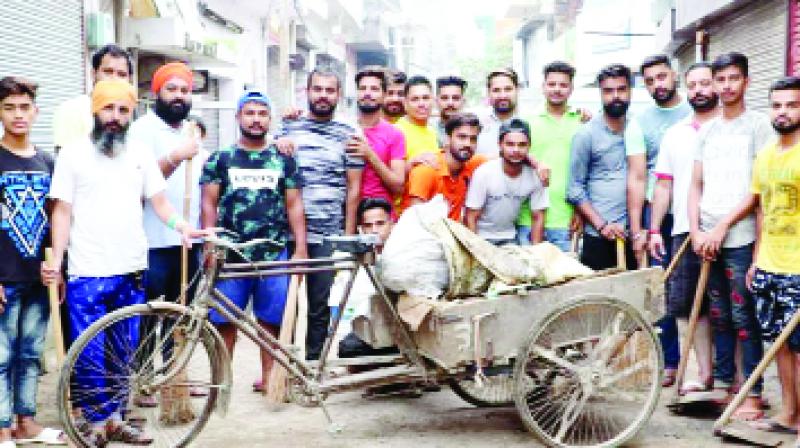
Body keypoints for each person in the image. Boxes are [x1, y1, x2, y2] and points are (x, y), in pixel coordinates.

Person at [41, 79, 205, 445]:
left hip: (131, 268)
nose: (114, 117)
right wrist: (59, 260)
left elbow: (159, 203)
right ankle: (96, 423)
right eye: (108, 109)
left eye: (123, 110)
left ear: (131, 113)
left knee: (124, 353)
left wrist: (182, 227)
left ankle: (115, 419)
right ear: (95, 112)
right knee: (90, 357)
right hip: (87, 271)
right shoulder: (72, 154)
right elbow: (62, 213)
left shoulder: (140, 154)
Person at [699, 76, 800, 434]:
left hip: (797, 266)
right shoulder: (768, 157)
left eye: (792, 105)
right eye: (777, 105)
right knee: (780, 345)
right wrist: (757, 258)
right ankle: (790, 413)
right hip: (772, 262)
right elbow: (762, 210)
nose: (783, 112)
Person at [200, 90, 307, 393]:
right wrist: (209, 242)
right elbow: (208, 203)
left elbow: (295, 204)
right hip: (230, 255)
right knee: (224, 321)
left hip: (273, 253)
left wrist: (299, 248)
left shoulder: (283, 160)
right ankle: (221, 381)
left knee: (271, 320)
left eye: (262, 114)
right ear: (238, 117)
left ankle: (271, 379)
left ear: (270, 119)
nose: (256, 119)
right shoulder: (220, 159)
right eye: (250, 113)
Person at [687, 52, 774, 420]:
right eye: (720, 80)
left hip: (739, 236)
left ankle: (752, 393)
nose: (726, 86)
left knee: (744, 315)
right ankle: (724, 385)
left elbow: (758, 190)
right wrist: (696, 230)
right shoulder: (707, 129)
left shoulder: (759, 127)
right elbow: (695, 185)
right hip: (707, 236)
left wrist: (722, 227)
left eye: (733, 79)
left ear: (746, 82)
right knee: (719, 313)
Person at [127, 61, 205, 407]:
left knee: (181, 314)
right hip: (152, 241)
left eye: (184, 90)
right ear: (155, 93)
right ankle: (143, 380)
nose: (178, 95)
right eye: (171, 89)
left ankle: (175, 378)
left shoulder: (192, 131)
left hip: (187, 241)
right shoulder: (141, 130)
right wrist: (174, 157)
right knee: (149, 315)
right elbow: (138, 182)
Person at [277, 69, 364, 360]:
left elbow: (354, 189)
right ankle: (283, 366)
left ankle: (314, 364)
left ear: (338, 95)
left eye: (330, 90)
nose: (323, 96)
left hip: (327, 234)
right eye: (318, 89)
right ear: (307, 91)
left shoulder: (349, 134)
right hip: (288, 231)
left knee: (319, 303)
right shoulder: (288, 128)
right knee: (285, 302)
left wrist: (347, 237)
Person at [0, 77, 64, 445]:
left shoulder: (47, 162)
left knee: (30, 354)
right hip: (4, 276)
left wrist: (60, 269)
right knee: (2, 355)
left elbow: (56, 215)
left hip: (39, 275)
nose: (18, 115)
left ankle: (26, 421)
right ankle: (3, 425)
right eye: (9, 108)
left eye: (24, 107)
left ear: (35, 111)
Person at [649, 62, 720, 393]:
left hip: (729, 232)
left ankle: (733, 381)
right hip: (682, 230)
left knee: (731, 310)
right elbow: (663, 186)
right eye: (693, 85)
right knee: (685, 306)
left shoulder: (729, 128)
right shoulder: (675, 134)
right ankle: (700, 374)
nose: (699, 91)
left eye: (705, 83)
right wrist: (653, 230)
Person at [627, 54, 693, 388]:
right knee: (662, 289)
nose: (658, 85)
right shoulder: (639, 121)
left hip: (699, 212)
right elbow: (638, 177)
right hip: (661, 215)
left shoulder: (696, 109)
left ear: (675, 76)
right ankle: (670, 362)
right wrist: (640, 228)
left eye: (662, 77)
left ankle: (713, 373)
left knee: (705, 294)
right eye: (651, 80)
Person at [567, 64, 637, 270]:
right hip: (599, 236)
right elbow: (574, 188)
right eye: (608, 91)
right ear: (601, 93)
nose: (616, 96)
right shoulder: (585, 135)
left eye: (621, 89)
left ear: (630, 90)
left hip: (633, 235)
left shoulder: (637, 129)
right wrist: (602, 225)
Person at [517, 61, 583, 250]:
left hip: (567, 220)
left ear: (571, 89)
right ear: (543, 87)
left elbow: (586, 170)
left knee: (568, 279)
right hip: (529, 217)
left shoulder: (581, 121)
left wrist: (580, 212)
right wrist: (535, 163)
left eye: (563, 85)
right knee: (529, 278)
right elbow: (515, 157)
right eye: (552, 84)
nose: (557, 89)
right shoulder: (528, 121)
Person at [465, 119, 548, 245]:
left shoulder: (536, 175)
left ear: (529, 146)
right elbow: (471, 216)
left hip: (510, 236)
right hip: (481, 236)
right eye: (510, 144)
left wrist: (537, 251)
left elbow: (538, 216)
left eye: (522, 145)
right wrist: (474, 249)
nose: (516, 150)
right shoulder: (484, 173)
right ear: (500, 145)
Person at [401, 112, 487, 221]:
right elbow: (415, 221)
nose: (468, 144)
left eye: (473, 139)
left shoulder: (474, 163)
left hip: (452, 233)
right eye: (462, 137)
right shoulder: (426, 170)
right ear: (447, 139)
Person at [52, 44, 133, 152]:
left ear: (129, 79)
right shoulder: (72, 109)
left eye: (121, 74)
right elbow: (66, 159)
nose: (114, 79)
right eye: (108, 72)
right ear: (93, 74)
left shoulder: (130, 111)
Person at [347, 67, 406, 213]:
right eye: (362, 88)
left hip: (381, 219)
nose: (367, 93)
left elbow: (398, 186)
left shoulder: (395, 135)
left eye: (374, 89)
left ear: (384, 94)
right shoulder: (345, 129)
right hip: (347, 215)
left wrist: (369, 154)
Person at [394, 76, 440, 170]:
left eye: (426, 98)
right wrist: (412, 163)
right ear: (405, 103)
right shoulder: (396, 131)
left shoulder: (432, 130)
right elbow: (389, 177)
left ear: (433, 101)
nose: (421, 104)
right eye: (415, 99)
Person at [476, 68, 522, 156]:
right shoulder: (477, 124)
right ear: (488, 93)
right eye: (496, 90)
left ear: (517, 90)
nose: (503, 96)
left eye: (508, 89)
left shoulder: (530, 122)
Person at [433, 75, 468, 147]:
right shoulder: (430, 130)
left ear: (463, 102)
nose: (450, 103)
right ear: (436, 101)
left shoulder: (473, 131)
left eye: (455, 98)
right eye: (444, 98)